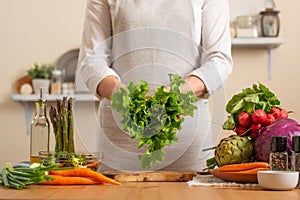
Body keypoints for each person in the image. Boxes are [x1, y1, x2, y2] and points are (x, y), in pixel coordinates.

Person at [77, 0, 233, 172]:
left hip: (188, 145)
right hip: (120, 144)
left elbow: (219, 60)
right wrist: (123, 96)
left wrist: (177, 94)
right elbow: (91, 60)